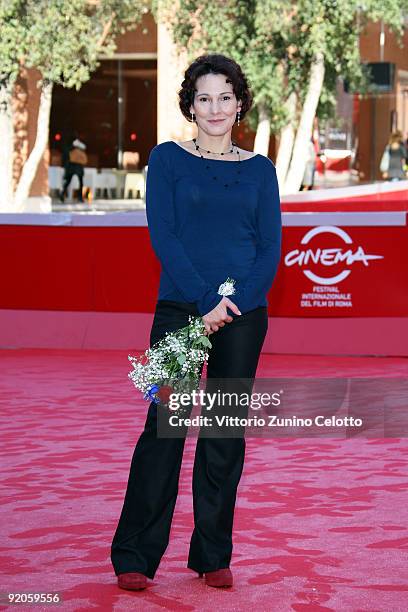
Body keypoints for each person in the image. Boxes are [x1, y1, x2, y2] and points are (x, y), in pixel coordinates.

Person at [110, 54, 282, 591]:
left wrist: (232, 305)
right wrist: (205, 302)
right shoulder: (165, 160)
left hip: (243, 315)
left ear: (239, 104)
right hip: (180, 311)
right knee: (164, 429)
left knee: (224, 436)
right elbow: (165, 238)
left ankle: (213, 553)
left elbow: (269, 248)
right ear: (190, 105)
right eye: (204, 97)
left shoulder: (260, 169)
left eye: (225, 97)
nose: (215, 107)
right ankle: (135, 555)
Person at [59, 135, 88, 202]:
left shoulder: (80, 147)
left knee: (79, 182)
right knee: (69, 181)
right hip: (73, 165)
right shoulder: (71, 148)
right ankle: (63, 194)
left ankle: (79, 197)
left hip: (77, 165)